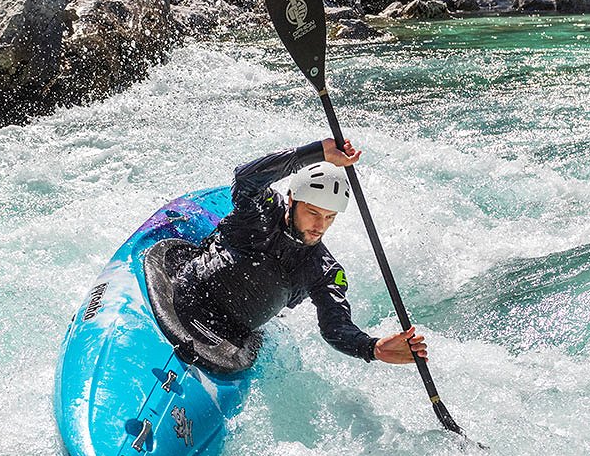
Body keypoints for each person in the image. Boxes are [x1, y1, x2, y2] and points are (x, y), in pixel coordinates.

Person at [172, 138, 428, 365]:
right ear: (292, 200)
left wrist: (371, 347)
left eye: (330, 217)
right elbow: (245, 179)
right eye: (313, 213)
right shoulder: (263, 211)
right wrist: (316, 153)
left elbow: (335, 326)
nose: (320, 226)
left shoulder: (324, 270)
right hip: (187, 291)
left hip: (231, 334)